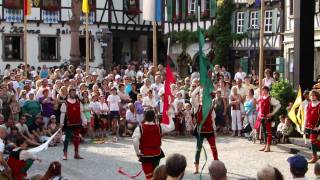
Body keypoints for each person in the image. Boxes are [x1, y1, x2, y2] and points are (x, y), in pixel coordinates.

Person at [132, 109, 175, 180]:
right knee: (155, 175)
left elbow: (135, 140)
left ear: (144, 117)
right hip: (156, 154)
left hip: (145, 155)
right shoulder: (159, 126)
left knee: (149, 176)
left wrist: (137, 152)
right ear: (154, 117)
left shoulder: (139, 128)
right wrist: (169, 116)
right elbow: (172, 127)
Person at [192, 87, 218, 174]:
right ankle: (196, 168)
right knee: (198, 149)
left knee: (213, 148)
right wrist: (200, 87)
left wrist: (215, 131)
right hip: (200, 131)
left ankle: (216, 166)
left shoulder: (210, 107)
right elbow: (192, 95)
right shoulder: (197, 106)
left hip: (210, 130)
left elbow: (213, 120)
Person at [60, 87, 87, 160]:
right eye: (72, 92)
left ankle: (76, 153)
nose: (73, 94)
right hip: (69, 123)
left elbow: (81, 113)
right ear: (69, 93)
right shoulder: (65, 103)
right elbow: (63, 114)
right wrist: (61, 123)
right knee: (67, 138)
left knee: (77, 138)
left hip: (77, 123)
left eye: (74, 93)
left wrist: (84, 121)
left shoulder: (79, 102)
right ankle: (65, 154)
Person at [255, 86, 281, 152]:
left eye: (265, 90)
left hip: (267, 118)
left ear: (267, 91)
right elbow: (258, 107)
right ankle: (265, 145)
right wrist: (259, 114)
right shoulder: (260, 98)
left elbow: (278, 105)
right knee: (264, 132)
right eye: (263, 90)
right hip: (262, 118)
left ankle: (268, 146)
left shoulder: (270, 98)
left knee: (268, 132)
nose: (263, 91)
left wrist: (272, 113)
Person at [303, 90, 320, 163]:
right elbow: (306, 117)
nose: (312, 97)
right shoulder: (308, 105)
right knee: (313, 141)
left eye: (314, 95)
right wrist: (304, 127)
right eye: (311, 95)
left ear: (317, 96)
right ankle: (315, 157)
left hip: (317, 126)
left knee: (315, 141)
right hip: (310, 127)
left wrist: (319, 127)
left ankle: (315, 157)